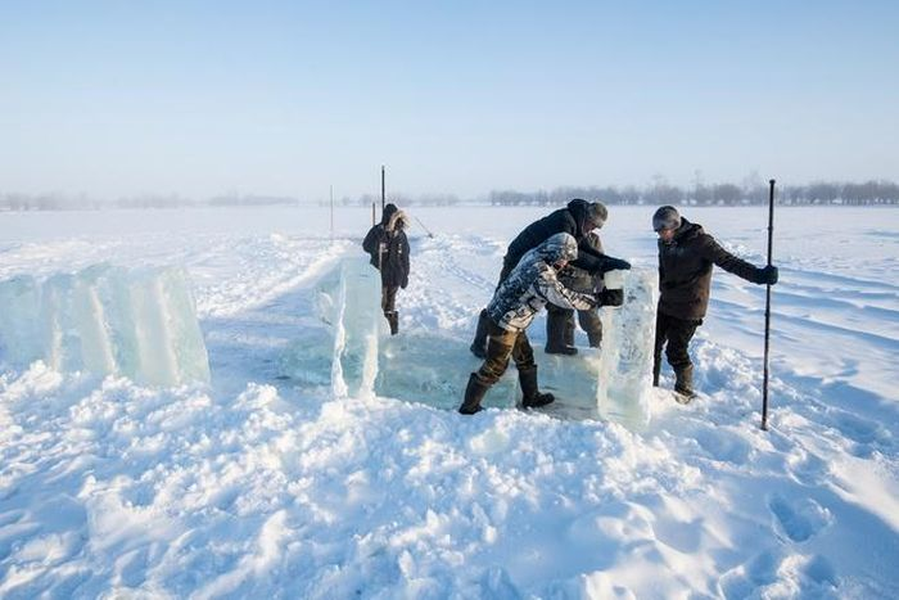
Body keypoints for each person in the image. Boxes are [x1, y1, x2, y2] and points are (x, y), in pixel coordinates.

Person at [459, 233, 605, 415]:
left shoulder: (535, 254)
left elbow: (553, 275)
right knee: (495, 366)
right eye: (563, 259)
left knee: (525, 357)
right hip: (505, 324)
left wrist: (566, 269)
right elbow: (563, 298)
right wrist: (599, 299)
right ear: (554, 253)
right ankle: (469, 407)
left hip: (509, 317)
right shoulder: (540, 272)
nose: (565, 263)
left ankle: (531, 396)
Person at [469, 199, 631, 358]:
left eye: (596, 228)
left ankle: (554, 344)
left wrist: (609, 262)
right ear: (586, 218)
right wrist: (601, 267)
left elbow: (583, 248)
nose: (592, 230)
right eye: (592, 225)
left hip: (537, 260)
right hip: (518, 259)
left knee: (543, 302)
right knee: (502, 300)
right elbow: (573, 254)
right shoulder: (564, 221)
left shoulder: (578, 224)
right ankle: (479, 342)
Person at [652, 205, 779, 402]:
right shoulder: (664, 244)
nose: (661, 236)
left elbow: (729, 262)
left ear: (675, 226)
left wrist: (759, 276)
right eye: (658, 232)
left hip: (689, 307)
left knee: (675, 351)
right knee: (652, 344)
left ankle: (685, 391)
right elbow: (664, 271)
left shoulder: (700, 242)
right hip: (667, 302)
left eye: (663, 231)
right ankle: (650, 386)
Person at [545, 230, 619, 354]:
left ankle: (599, 351)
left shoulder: (593, 239)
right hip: (563, 285)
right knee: (565, 322)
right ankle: (566, 349)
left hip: (585, 285)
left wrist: (601, 286)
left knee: (591, 321)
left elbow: (600, 261)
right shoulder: (563, 237)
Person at [362, 203, 410, 335]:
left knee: (391, 304)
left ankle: (391, 333)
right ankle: (376, 332)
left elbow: (405, 256)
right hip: (379, 275)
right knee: (380, 303)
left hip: (395, 276)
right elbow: (366, 246)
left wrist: (406, 275)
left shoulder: (401, 235)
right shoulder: (377, 230)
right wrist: (382, 235)